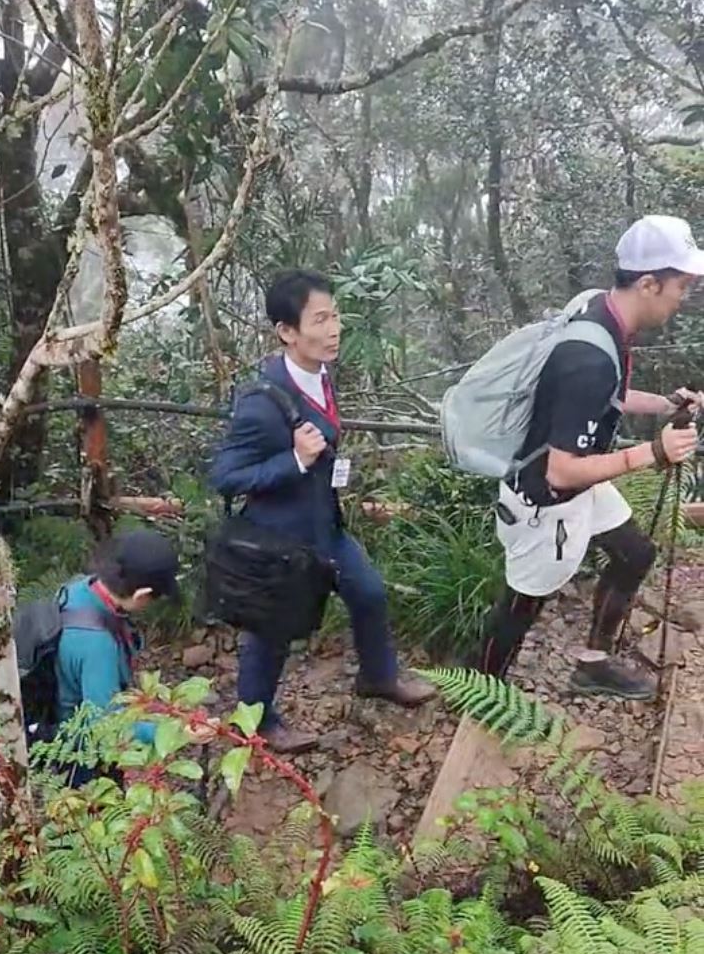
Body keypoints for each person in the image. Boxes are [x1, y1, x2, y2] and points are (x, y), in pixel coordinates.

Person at [475, 214, 704, 699]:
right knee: (523, 604)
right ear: (649, 283)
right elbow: (561, 469)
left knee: (634, 553)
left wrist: (664, 404)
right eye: (680, 286)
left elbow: (610, 394)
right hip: (546, 500)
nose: (683, 298)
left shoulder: (601, 314)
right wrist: (654, 453)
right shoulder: (589, 356)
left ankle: (593, 664)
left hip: (578, 486)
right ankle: (482, 692)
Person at [210, 268, 436, 753]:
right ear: (287, 332)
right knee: (270, 634)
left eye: (335, 316)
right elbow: (226, 476)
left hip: (325, 529)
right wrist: (294, 460)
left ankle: (378, 677)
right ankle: (257, 725)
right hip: (280, 543)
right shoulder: (262, 402)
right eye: (320, 319)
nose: (333, 330)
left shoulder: (321, 374)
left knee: (370, 593)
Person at [55, 528, 180, 778]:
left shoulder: (80, 588)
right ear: (142, 594)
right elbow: (106, 730)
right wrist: (172, 731)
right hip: (80, 748)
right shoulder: (99, 646)